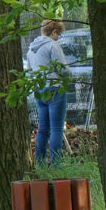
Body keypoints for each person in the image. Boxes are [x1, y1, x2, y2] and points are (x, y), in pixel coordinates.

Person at [27, 19, 69, 164]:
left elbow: (30, 71)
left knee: (43, 129)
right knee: (57, 129)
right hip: (55, 89)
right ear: (54, 32)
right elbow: (62, 69)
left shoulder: (31, 48)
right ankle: (56, 165)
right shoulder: (53, 45)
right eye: (59, 34)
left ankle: (40, 164)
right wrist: (69, 76)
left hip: (39, 90)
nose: (58, 38)